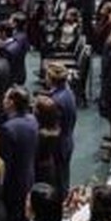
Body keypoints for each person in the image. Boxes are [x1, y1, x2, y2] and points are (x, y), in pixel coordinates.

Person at [0, 86, 39, 221]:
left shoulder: (9, 128)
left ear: (11, 103)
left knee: (12, 217)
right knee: (24, 214)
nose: (3, 101)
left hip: (13, 180)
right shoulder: (32, 119)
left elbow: (5, 162)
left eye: (6, 98)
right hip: (28, 173)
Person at [46, 62, 77, 194]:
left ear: (51, 79)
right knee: (63, 177)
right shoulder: (67, 90)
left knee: (58, 182)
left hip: (59, 146)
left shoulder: (56, 101)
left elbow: (54, 128)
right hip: (68, 139)